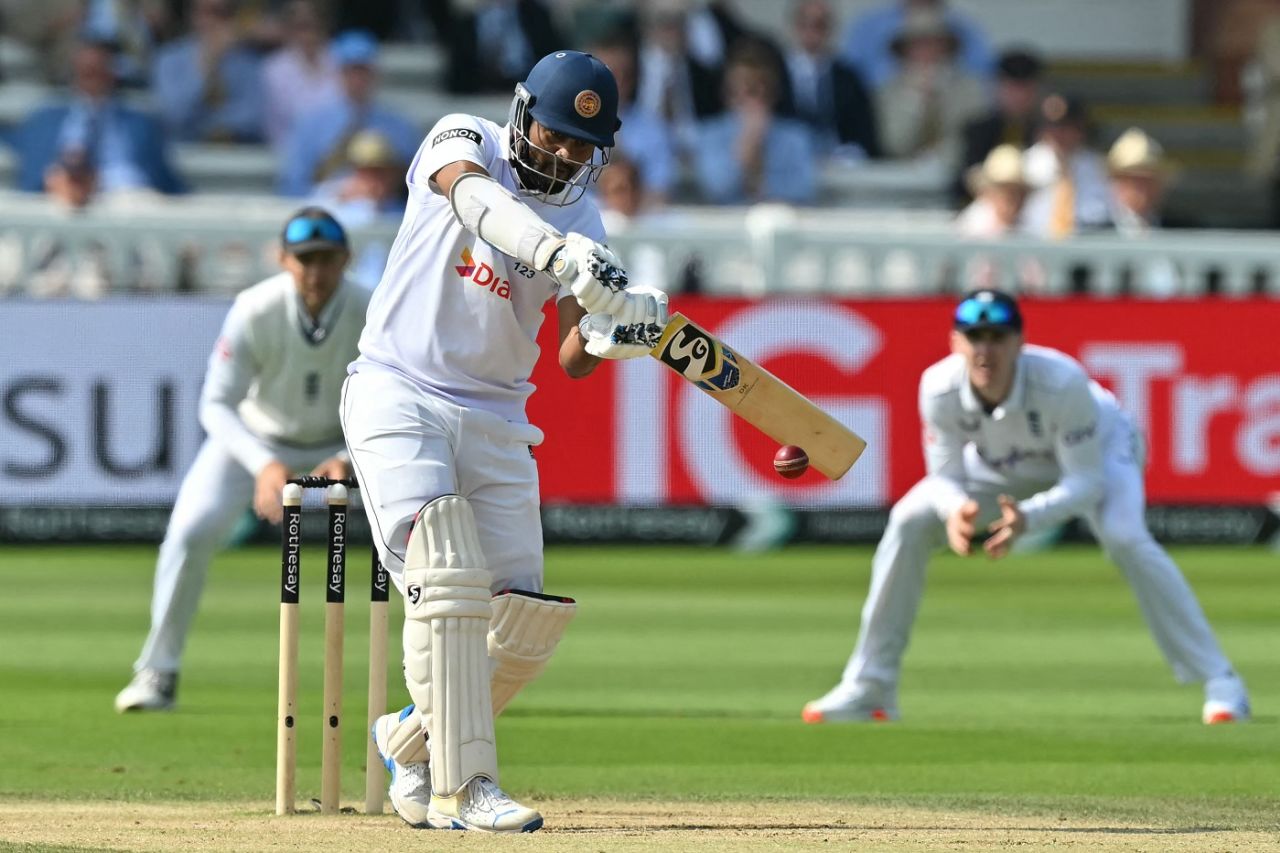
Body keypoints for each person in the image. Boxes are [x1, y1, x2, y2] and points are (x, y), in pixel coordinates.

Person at [341, 50, 667, 833]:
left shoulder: (584, 217)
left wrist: (616, 330)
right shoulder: (464, 139)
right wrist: (557, 254)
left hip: (497, 415)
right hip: (398, 389)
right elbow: (474, 200)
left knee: (522, 625)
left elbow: (571, 359)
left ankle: (410, 741)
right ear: (523, 113)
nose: (561, 154)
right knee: (442, 567)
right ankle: (469, 783)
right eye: (553, 133)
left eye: (580, 146)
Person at [802, 289, 1252, 727]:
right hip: (1003, 465)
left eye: (997, 337)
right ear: (955, 342)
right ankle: (871, 685)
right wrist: (958, 509)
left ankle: (1222, 682)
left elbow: (1085, 482)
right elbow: (946, 477)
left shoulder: (1062, 383)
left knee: (1124, 536)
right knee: (909, 519)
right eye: (973, 337)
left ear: (1019, 341)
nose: (985, 350)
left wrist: (1030, 519)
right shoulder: (938, 388)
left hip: (1100, 451)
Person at [114, 208, 371, 712]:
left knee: (408, 537)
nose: (315, 273)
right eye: (304, 261)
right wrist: (263, 464)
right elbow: (215, 403)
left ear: (346, 259)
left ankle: (430, 684)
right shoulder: (255, 308)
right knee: (189, 532)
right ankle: (157, 672)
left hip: (341, 441)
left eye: (326, 260)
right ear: (282, 260)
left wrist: (346, 454)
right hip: (255, 439)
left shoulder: (372, 308)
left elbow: (390, 392)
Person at [11, 36, 184, 196]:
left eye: (98, 71)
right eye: (86, 72)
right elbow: (32, 180)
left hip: (129, 203)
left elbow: (165, 182)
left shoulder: (142, 124)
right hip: (60, 206)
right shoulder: (44, 121)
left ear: (113, 73)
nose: (92, 79)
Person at [277, 29, 419, 197]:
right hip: (327, 214)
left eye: (363, 71)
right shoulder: (311, 125)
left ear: (375, 73)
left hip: (387, 216)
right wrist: (332, 192)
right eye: (350, 70)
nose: (357, 79)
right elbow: (292, 187)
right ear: (337, 73)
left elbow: (415, 188)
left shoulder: (399, 127)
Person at [693, 42, 816, 205]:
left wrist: (761, 182)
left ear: (773, 92)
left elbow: (803, 190)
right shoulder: (710, 133)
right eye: (739, 90)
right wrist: (746, 145)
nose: (748, 99)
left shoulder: (795, 136)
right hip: (726, 225)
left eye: (756, 90)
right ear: (727, 94)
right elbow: (716, 188)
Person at [873, 8, 986, 165]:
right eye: (918, 45)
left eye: (933, 43)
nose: (926, 51)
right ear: (905, 50)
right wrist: (916, 100)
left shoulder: (969, 88)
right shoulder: (888, 91)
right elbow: (893, 144)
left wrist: (938, 158)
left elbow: (972, 136)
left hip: (954, 174)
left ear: (947, 48)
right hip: (900, 176)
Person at [151, 0, 265, 143]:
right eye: (208, 12)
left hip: (238, 153)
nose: (214, 21)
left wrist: (217, 127)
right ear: (194, 15)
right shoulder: (169, 59)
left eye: (223, 13)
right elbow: (174, 116)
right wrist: (206, 69)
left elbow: (254, 117)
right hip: (184, 153)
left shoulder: (248, 60)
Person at [780, 0, 880, 161]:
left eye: (820, 25)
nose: (812, 31)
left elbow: (864, 133)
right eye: (805, 23)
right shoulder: (778, 74)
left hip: (838, 163)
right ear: (794, 26)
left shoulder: (848, 77)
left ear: (830, 29)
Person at [955, 48, 1042, 204]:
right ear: (998, 88)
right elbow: (967, 175)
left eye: (1025, 89)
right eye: (1012, 88)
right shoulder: (978, 130)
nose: (1019, 97)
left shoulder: (1048, 131)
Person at [1020, 94, 1110, 238]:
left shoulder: (1096, 166)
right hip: (1032, 242)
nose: (1058, 134)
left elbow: (1103, 211)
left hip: (1085, 242)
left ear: (1080, 129)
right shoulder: (1026, 163)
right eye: (1051, 127)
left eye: (1066, 127)